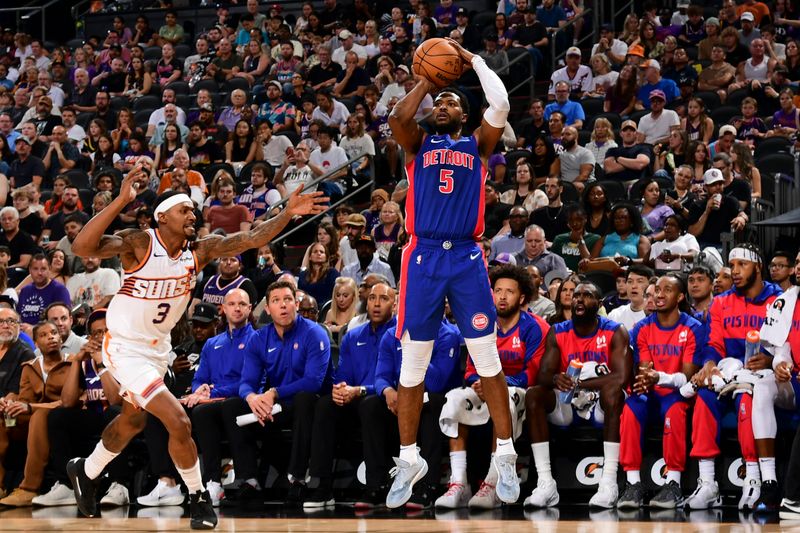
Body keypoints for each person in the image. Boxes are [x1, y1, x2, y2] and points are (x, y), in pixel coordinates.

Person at [64, 162, 326, 528]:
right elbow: (82, 245)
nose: (193, 213)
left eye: (192, 208)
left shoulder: (199, 251)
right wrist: (121, 199)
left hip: (157, 350)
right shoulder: (140, 243)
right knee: (178, 420)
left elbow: (251, 238)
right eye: (184, 209)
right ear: (162, 217)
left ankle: (86, 471)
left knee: (133, 419)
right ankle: (199, 497)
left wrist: (286, 212)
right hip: (123, 346)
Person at [385, 37, 520, 508]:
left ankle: (504, 454)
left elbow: (500, 102)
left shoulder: (479, 144)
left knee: (487, 360)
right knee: (412, 363)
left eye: (450, 100)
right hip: (422, 257)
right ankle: (409, 458)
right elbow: (397, 118)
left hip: (466, 256)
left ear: (464, 114)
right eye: (439, 101)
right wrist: (428, 77)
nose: (442, 105)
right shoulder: (416, 143)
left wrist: (472, 61)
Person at [435, 264, 548, 509]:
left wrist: (498, 384)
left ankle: (493, 483)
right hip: (483, 388)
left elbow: (534, 372)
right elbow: (470, 370)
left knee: (503, 397)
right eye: (498, 291)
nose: (502, 296)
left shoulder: (536, 327)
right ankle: (459, 483)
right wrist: (480, 382)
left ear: (522, 297)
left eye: (509, 291)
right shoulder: (482, 326)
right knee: (454, 399)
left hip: (520, 392)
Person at [684, 243, 782, 511]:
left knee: (747, 399)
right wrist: (708, 364)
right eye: (732, 265)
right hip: (727, 373)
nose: (734, 271)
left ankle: (753, 478)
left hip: (762, 378)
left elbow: (786, 346)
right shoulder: (722, 303)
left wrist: (771, 360)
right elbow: (713, 344)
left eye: (742, 265)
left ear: (758, 267)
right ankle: (707, 484)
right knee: (703, 397)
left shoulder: (777, 300)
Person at [221, 281, 331, 507]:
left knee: (304, 399)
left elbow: (313, 382)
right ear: (267, 309)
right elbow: (246, 383)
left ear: (297, 304)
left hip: (314, 403)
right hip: (279, 404)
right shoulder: (259, 339)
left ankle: (297, 479)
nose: (283, 306)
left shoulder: (315, 333)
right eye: (276, 301)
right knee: (232, 406)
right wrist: (253, 399)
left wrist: (273, 393)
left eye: (288, 300)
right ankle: (249, 481)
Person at [524, 281, 631, 508]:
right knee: (534, 395)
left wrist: (581, 383)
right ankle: (545, 483)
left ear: (599, 304)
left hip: (600, 404)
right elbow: (542, 375)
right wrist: (555, 379)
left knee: (614, 393)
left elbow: (621, 377)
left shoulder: (615, 330)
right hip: (568, 404)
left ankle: (609, 482)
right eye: (576, 295)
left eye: (587, 295)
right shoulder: (558, 331)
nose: (579, 299)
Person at [302, 282, 397, 508]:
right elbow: (342, 375)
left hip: (388, 401)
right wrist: (340, 390)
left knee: (370, 404)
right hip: (356, 398)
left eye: (383, 299)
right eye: (372, 298)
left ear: (394, 304)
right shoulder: (353, 336)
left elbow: (397, 380)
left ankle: (376, 485)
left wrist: (361, 390)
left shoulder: (399, 335)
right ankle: (322, 485)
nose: (376, 303)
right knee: (325, 404)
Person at [617, 275, 703, 509]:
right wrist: (645, 379)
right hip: (651, 392)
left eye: (667, 290)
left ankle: (673, 483)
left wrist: (659, 377)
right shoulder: (643, 328)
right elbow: (644, 367)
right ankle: (633, 484)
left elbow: (687, 377)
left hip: (677, 393)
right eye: (657, 291)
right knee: (631, 408)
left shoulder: (693, 327)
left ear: (680, 296)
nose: (660, 295)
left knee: (675, 409)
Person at [31, 308, 126, 508]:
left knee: (113, 413)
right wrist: (76, 361)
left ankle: (120, 485)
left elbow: (116, 400)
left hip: (122, 419)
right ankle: (66, 485)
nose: (100, 337)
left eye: (105, 331)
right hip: (95, 418)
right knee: (58, 416)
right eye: (96, 333)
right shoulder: (86, 362)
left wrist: (101, 364)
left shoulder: (124, 358)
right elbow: (67, 402)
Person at [183, 289, 256, 506]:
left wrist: (212, 393)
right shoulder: (211, 344)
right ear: (223, 309)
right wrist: (199, 390)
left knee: (222, 408)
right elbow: (199, 378)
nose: (237, 308)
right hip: (213, 402)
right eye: (231, 304)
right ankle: (210, 482)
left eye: (242, 304)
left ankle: (247, 480)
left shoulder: (257, 339)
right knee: (197, 410)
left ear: (250, 309)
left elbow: (249, 381)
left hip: (244, 399)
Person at [0, 321, 72, 506]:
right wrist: (10, 403)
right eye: (44, 335)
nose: (51, 337)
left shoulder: (73, 363)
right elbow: (25, 400)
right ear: (36, 343)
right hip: (32, 419)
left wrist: (31, 408)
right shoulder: (29, 366)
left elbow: (69, 402)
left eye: (54, 333)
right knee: (2, 418)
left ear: (61, 337)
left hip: (63, 416)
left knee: (39, 416)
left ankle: (29, 488)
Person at [16, 254, 71, 327]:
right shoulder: (25, 290)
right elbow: (18, 316)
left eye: (43, 269)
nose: (39, 273)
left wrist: (33, 329)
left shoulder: (59, 290)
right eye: (35, 269)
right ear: (30, 270)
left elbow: (63, 322)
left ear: (49, 269)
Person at [551, 204, 600, 273]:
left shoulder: (595, 239)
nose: (575, 223)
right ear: (567, 222)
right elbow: (552, 263)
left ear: (585, 219)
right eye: (571, 220)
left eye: (579, 219)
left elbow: (592, 265)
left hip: (585, 278)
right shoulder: (559, 239)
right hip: (562, 276)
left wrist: (580, 241)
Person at [607, 265, 653, 331]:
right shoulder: (615, 315)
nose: (633, 286)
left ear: (650, 285)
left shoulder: (657, 317)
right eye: (630, 281)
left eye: (640, 281)